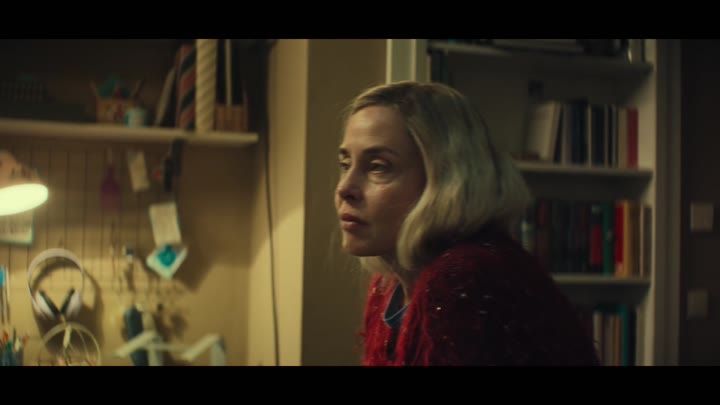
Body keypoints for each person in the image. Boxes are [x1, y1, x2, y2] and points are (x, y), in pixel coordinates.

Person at [335, 80, 600, 366]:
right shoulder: (388, 284)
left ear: (446, 179)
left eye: (377, 167)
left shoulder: (463, 277)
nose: (344, 188)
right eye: (345, 165)